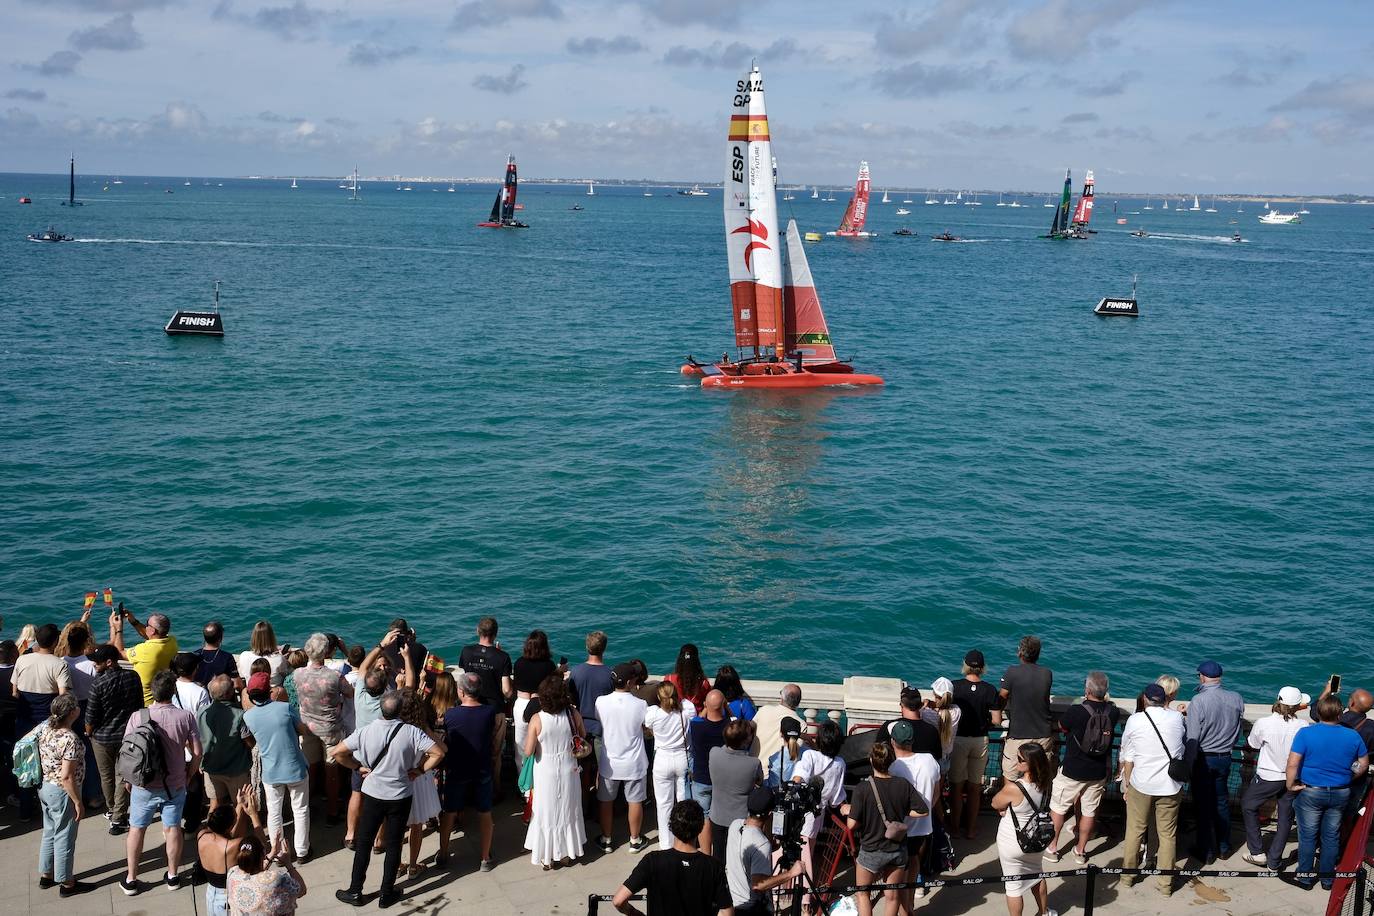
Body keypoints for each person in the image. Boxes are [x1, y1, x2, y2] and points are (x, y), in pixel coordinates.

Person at [334, 691, 445, 907]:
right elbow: (438, 753)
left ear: (381, 710)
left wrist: (358, 767)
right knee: (394, 845)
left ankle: (356, 890)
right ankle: (387, 892)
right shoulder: (412, 732)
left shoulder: (365, 732)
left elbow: (338, 753)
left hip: (373, 793)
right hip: (401, 794)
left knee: (364, 842)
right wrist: (420, 770)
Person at [121, 669, 202, 895]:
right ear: (173, 691)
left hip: (144, 784)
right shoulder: (185, 717)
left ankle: (131, 878)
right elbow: (197, 752)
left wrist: (129, 778)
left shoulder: (138, 716)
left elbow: (128, 750)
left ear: (153, 692)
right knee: (173, 827)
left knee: (137, 829)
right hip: (175, 783)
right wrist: (189, 774)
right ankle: (173, 875)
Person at [1288, 695, 1369, 890]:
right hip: (1341, 792)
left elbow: (1293, 763)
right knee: (1331, 836)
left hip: (1311, 792)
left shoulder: (1305, 734)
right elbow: (1363, 763)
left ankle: (1306, 877)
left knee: (1307, 836)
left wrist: (1290, 785)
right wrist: (1349, 778)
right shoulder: (1352, 736)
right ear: (1340, 713)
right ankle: (1327, 879)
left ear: (1318, 713)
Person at [847, 740, 928, 916]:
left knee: (863, 894)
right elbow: (923, 811)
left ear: (871, 761)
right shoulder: (903, 784)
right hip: (897, 850)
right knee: (892, 897)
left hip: (871, 850)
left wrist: (849, 811)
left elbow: (851, 825)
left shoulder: (863, 788)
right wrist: (903, 811)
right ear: (891, 761)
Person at [1119, 683, 1186, 897]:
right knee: (1167, 835)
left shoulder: (1135, 720)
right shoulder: (1177, 718)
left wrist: (1127, 783)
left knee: (1135, 830)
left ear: (1146, 700)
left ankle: (1128, 876)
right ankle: (1166, 884)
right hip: (1170, 786)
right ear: (1165, 699)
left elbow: (1128, 755)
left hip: (1141, 784)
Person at [1045, 671, 1120, 864]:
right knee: (1088, 812)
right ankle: (1080, 851)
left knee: (1059, 809)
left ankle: (1053, 848)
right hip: (1097, 771)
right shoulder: (1113, 712)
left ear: (1087, 690)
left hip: (1072, 769)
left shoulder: (1076, 711)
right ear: (1106, 691)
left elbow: (1063, 726)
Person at [613, 799, 733, 916]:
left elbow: (618, 900)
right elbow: (726, 912)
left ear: (671, 826)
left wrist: (634, 913)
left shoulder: (652, 861)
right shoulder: (714, 867)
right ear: (700, 828)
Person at [242, 671, 312, 862]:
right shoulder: (286, 708)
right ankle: (302, 851)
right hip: (295, 767)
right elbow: (302, 729)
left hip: (271, 771)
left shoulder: (249, 717)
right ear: (270, 691)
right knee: (300, 809)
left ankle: (278, 851)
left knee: (274, 812)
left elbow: (250, 739)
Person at [1241, 686, 1309, 868]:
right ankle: (1274, 859)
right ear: (1297, 706)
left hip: (1268, 777)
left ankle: (1257, 851)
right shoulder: (1303, 726)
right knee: (1286, 818)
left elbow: (1253, 743)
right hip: (1292, 777)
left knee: (1248, 806)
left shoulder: (1264, 723)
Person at [523, 673, 588, 868]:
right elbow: (582, 736)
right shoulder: (573, 714)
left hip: (545, 769)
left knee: (546, 811)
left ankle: (547, 856)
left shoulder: (537, 719)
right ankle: (567, 852)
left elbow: (528, 751)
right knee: (568, 808)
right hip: (569, 767)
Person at [1185, 660, 1245, 863]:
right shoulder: (1236, 698)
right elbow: (1237, 731)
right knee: (1221, 803)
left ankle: (1206, 851)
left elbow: (1192, 738)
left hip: (1204, 759)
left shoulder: (1198, 701)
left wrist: (1189, 764)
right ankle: (1224, 847)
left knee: (1203, 807)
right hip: (1225, 757)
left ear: (1202, 677)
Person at [990, 741, 1057, 916]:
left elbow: (995, 802)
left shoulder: (1014, 788)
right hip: (1036, 839)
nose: (1016, 762)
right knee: (1037, 875)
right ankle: (1044, 912)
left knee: (1013, 887)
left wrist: (1004, 808)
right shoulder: (1046, 783)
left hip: (1013, 841)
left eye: (1020, 759)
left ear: (1031, 764)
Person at [292, 632, 352, 827]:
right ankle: (333, 811)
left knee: (311, 768)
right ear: (326, 652)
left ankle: (306, 806)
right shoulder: (334, 677)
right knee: (331, 771)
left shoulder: (298, 674)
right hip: (330, 729)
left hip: (307, 727)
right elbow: (350, 693)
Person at [440, 671, 497, 870]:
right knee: (485, 812)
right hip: (482, 769)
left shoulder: (451, 714)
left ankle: (444, 853)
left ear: (462, 692)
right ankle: (484, 857)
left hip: (457, 769)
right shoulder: (489, 712)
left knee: (449, 812)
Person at [84, 642, 143, 834]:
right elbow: (139, 705)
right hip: (128, 735)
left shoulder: (98, 684)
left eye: (97, 662)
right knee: (122, 775)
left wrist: (89, 731)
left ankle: (114, 813)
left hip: (102, 737)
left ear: (109, 662)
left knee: (106, 775)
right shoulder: (133, 676)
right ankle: (118, 813)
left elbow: (91, 716)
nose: (94, 664)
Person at [37, 693, 91, 896]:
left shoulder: (46, 729)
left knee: (49, 831)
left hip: (46, 787)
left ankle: (46, 875)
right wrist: (78, 802)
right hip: (62, 792)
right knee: (65, 837)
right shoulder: (70, 739)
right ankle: (67, 883)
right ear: (72, 713)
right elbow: (67, 777)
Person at [343, 642, 394, 851]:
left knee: (357, 794)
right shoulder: (388, 700)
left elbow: (362, 669)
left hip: (359, 756)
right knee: (381, 800)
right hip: (381, 759)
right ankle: (379, 840)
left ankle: (350, 834)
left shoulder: (360, 695)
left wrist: (381, 645)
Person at [596, 662, 651, 853]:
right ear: (629, 682)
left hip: (609, 763)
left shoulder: (600, 702)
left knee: (606, 801)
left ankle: (606, 839)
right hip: (634, 763)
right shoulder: (641, 705)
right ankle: (634, 840)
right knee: (635, 801)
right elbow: (646, 727)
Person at [950, 649, 1002, 839]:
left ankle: (954, 828)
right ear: (982, 668)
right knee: (974, 788)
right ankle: (971, 829)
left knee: (956, 787)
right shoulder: (989, 690)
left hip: (959, 741)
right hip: (980, 741)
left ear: (965, 665)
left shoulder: (955, 687)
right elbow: (997, 720)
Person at [727, 787, 803, 915]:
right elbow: (758, 885)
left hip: (731, 902)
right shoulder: (761, 844)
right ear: (770, 814)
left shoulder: (735, 825)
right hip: (750, 909)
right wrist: (791, 873)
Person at [888, 719, 940, 905]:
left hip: (900, 830)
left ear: (893, 742)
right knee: (914, 863)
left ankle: (905, 909)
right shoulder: (929, 760)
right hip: (924, 827)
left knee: (899, 874)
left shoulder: (893, 769)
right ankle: (910, 904)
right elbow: (936, 793)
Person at [458, 616, 514, 790]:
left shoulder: (466, 651)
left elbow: (464, 678)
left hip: (470, 709)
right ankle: (494, 790)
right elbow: (506, 691)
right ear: (495, 634)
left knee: (471, 751)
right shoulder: (503, 657)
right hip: (494, 710)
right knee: (494, 754)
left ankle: (470, 789)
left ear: (478, 631)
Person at [791, 719, 846, 883]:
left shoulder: (809, 754)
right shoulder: (840, 763)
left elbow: (800, 776)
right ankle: (805, 895)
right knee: (809, 851)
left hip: (799, 809)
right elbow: (835, 799)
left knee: (799, 853)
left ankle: (803, 894)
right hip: (817, 813)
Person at [399, 683, 444, 879]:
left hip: (396, 777)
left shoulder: (393, 727)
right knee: (416, 825)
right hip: (416, 779)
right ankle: (413, 865)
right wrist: (421, 767)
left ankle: (397, 864)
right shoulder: (420, 729)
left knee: (398, 825)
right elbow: (441, 750)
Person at [645, 680, 695, 849]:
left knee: (664, 804)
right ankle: (684, 840)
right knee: (683, 803)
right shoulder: (685, 713)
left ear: (659, 696)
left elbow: (647, 726)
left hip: (662, 760)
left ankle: (666, 844)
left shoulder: (653, 713)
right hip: (681, 757)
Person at [197, 785, 261, 916]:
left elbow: (226, 832)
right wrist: (253, 815)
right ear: (229, 827)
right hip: (227, 899)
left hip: (211, 895)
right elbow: (261, 845)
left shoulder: (202, 836)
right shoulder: (233, 846)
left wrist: (239, 804)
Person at [997, 636, 1054, 780]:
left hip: (1019, 734)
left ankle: (1013, 802)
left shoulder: (1012, 672)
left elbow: (1002, 697)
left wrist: (997, 711)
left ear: (1020, 653)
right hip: (1043, 734)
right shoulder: (1047, 673)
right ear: (1038, 654)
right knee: (1038, 777)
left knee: (1011, 776)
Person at [198, 674, 255, 813]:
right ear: (229, 693)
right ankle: (239, 833)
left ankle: (213, 832)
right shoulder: (239, 715)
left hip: (211, 766)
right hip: (235, 769)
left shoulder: (201, 712)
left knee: (215, 803)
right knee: (241, 804)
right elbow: (248, 741)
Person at [709, 719, 763, 862]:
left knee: (718, 857)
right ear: (746, 741)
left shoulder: (714, 753)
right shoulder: (753, 764)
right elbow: (759, 782)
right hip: (740, 820)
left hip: (717, 816)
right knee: (737, 860)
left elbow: (727, 746)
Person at [569, 630, 614, 790]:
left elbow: (572, 699)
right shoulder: (610, 675)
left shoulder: (576, 672)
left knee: (581, 769)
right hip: (602, 728)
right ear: (604, 648)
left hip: (581, 727)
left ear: (587, 647)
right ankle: (600, 805)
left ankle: (584, 806)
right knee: (603, 771)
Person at [689, 690, 730, 853]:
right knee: (721, 816)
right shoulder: (730, 727)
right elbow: (735, 719)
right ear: (724, 705)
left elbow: (699, 717)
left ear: (706, 705)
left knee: (704, 816)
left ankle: (706, 853)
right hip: (723, 780)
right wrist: (726, 707)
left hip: (702, 778)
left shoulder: (696, 726)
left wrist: (706, 706)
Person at [228, 833, 308, 915]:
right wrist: (289, 864)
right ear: (263, 853)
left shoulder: (232, 874)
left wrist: (272, 854)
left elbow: (253, 876)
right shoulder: (278, 879)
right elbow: (301, 890)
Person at [514, 629, 558, 777]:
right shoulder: (549, 666)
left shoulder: (519, 663)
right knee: (540, 746)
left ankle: (523, 786)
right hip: (541, 706)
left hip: (521, 704)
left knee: (521, 747)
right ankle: (537, 783)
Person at [112, 608, 178, 706]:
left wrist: (118, 629)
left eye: (147, 624)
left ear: (152, 630)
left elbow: (118, 653)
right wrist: (133, 621)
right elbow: (152, 636)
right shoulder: (172, 642)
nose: (146, 626)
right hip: (164, 698)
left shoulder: (144, 651)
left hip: (144, 703)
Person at [752, 684, 802, 766]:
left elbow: (748, 729)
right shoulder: (801, 724)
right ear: (799, 701)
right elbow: (794, 755)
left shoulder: (764, 710)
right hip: (779, 774)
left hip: (754, 770)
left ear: (782, 698)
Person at [922, 676, 962, 769]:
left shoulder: (926, 713)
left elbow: (920, 712)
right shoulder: (957, 711)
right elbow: (946, 709)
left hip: (930, 755)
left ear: (934, 693)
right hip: (945, 756)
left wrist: (926, 704)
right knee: (941, 782)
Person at [194, 621, 241, 688]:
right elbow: (237, 684)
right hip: (219, 696)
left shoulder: (194, 655)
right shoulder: (227, 657)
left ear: (204, 637)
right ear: (220, 638)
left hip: (198, 695)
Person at [666, 644, 712, 710]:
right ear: (697, 661)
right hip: (696, 718)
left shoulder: (669, 679)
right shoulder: (703, 683)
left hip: (676, 716)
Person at [766, 717, 804, 788]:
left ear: (781, 734)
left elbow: (774, 785)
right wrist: (810, 740)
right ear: (799, 735)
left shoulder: (775, 759)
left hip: (784, 796)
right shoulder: (808, 753)